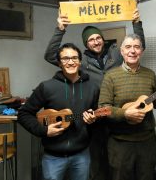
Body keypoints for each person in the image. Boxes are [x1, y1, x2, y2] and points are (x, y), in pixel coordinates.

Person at [44, 8, 145, 180]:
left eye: (98, 37)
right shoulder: (80, 63)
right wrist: (60, 29)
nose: (96, 41)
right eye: (91, 40)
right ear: (86, 44)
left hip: (117, 113)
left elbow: (139, 46)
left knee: (119, 161)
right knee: (97, 160)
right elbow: (50, 56)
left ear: (102, 39)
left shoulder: (117, 53)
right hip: (95, 117)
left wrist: (136, 23)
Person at [98, 33, 156, 180]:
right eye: (128, 47)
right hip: (120, 143)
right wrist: (124, 114)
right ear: (122, 51)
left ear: (142, 51)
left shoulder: (150, 74)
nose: (132, 51)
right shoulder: (110, 76)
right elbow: (103, 108)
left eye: (136, 47)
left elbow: (155, 104)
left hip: (147, 143)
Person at [18, 43, 99, 180]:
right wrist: (44, 131)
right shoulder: (46, 87)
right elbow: (24, 114)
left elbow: (97, 117)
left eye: (74, 58)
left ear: (80, 61)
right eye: (65, 59)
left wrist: (93, 120)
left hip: (82, 155)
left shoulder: (93, 87)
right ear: (59, 63)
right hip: (53, 157)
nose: (70, 62)